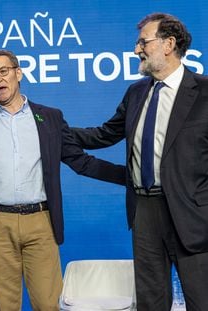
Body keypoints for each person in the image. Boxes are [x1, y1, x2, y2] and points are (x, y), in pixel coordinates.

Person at [0, 49, 125, 310]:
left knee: (48, 305)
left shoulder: (50, 117)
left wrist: (131, 178)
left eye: (3, 71)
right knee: (6, 306)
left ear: (18, 73)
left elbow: (82, 162)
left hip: (41, 222)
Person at [70, 13, 208, 311]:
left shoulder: (205, 92)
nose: (136, 49)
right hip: (144, 210)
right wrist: (53, 129)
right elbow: (106, 134)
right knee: (150, 302)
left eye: (143, 42)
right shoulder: (136, 91)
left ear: (168, 44)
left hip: (192, 216)